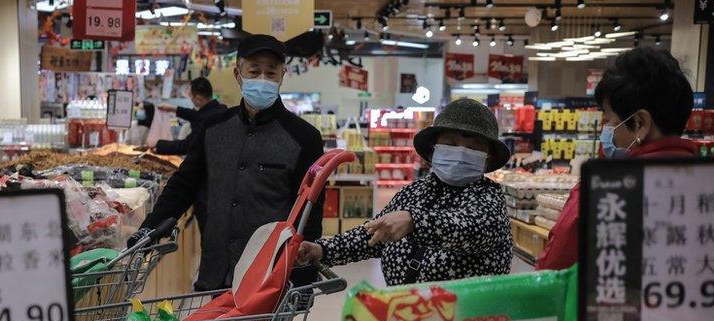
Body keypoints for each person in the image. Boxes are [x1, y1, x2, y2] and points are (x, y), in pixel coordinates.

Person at [130, 34, 324, 291]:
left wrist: (303, 279)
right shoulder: (214, 129)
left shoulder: (304, 138)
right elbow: (183, 185)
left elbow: (310, 212)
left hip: (270, 278)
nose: (262, 80)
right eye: (254, 71)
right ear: (238, 73)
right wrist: (148, 231)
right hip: (216, 273)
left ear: (282, 76)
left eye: (271, 73)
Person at [299, 98, 512, 285]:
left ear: (488, 158)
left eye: (474, 147)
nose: (461, 152)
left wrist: (414, 221)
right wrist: (323, 249)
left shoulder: (490, 200)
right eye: (451, 143)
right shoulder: (415, 192)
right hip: (406, 316)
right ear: (434, 149)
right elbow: (375, 234)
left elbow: (470, 229)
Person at [537, 47, 698, 270]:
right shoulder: (703, 184)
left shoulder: (604, 188)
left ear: (640, 123)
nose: (609, 129)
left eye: (611, 120)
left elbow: (553, 273)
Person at [154, 77, 227, 156]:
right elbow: (196, 115)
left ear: (198, 98)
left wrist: (158, 145)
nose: (191, 99)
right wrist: (173, 109)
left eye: (191, 97)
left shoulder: (205, 119)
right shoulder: (221, 109)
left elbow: (187, 146)